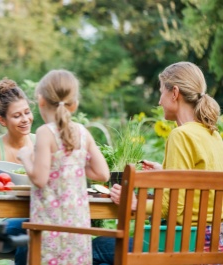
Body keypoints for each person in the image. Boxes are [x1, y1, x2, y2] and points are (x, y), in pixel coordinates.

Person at [92, 61, 223, 264]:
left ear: (175, 93)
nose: (159, 101)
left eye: (162, 92)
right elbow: (200, 183)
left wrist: (134, 202)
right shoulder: (214, 135)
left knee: (98, 247)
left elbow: (174, 207)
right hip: (214, 243)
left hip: (184, 245)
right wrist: (167, 171)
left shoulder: (181, 135)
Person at [18, 69, 110, 264]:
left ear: (41, 101)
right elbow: (103, 174)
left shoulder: (45, 132)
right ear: (74, 104)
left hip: (49, 230)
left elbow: (40, 179)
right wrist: (72, 164)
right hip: (78, 229)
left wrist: (26, 157)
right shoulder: (83, 132)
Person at [0, 78, 34, 265]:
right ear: (2, 120)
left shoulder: (42, 145)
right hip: (0, 225)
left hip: (36, 218)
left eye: (27, 113)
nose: (25, 119)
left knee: (32, 230)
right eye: (17, 116)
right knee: (30, 226)